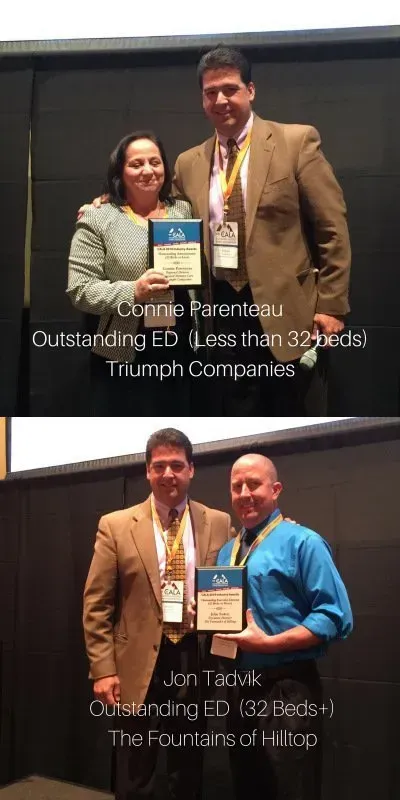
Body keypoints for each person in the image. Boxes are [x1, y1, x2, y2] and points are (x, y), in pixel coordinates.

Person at [172, 46, 352, 414]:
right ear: (202, 99)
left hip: (286, 309)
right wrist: (109, 203)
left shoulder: (295, 142)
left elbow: (332, 227)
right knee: (233, 409)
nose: (220, 99)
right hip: (219, 310)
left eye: (230, 89)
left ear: (250, 90)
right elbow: (167, 216)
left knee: (290, 408)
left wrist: (332, 305)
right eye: (210, 93)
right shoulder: (188, 163)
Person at [82, 427, 233, 800]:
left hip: (195, 660)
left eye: (177, 465)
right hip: (137, 663)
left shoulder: (218, 521)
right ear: (147, 471)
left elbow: (231, 581)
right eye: (160, 466)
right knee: (137, 770)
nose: (169, 474)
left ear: (191, 470)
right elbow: (96, 603)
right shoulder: (116, 526)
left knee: (189, 766)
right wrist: (103, 669)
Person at [212, 453, 353, 800]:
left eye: (254, 484)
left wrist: (269, 644)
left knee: (292, 788)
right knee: (247, 786)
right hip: (238, 689)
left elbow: (335, 617)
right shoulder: (226, 552)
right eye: (236, 486)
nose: (244, 493)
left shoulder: (303, 542)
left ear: (275, 489)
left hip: (287, 690)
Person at [67, 131, 197, 415]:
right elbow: (80, 290)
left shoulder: (183, 211)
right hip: (124, 351)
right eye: (136, 164)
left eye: (155, 162)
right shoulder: (98, 217)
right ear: (120, 171)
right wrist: (133, 291)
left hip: (181, 349)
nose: (148, 171)